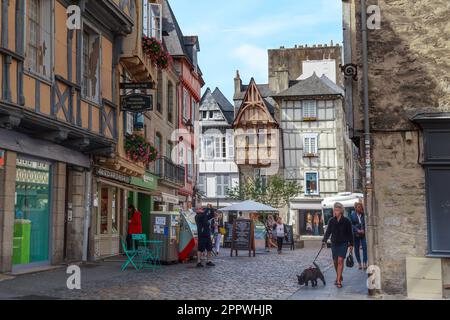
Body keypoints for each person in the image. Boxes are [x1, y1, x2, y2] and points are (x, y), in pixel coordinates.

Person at [322, 202, 354, 288]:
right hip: (334, 243)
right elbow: (328, 231)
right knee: (335, 261)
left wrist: (351, 244)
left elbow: (350, 233)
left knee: (340, 260)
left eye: (336, 210)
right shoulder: (331, 221)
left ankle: (339, 280)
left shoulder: (347, 221)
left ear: (341, 211)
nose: (334, 212)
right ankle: (339, 275)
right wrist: (324, 240)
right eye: (334, 210)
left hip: (343, 243)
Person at [350, 202, 368, 270]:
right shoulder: (352, 215)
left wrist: (363, 229)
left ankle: (364, 263)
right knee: (356, 249)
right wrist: (357, 230)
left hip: (363, 234)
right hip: (356, 234)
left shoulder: (364, 215)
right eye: (358, 207)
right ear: (356, 208)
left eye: (361, 207)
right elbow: (351, 224)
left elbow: (365, 223)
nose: (360, 208)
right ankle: (359, 263)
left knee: (364, 248)